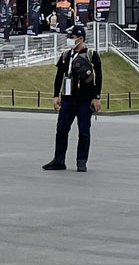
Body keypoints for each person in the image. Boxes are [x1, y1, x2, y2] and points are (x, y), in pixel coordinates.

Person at [43, 29, 101, 172]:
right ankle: (59, 160)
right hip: (68, 98)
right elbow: (59, 76)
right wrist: (56, 95)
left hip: (85, 99)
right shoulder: (65, 55)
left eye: (72, 37)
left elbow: (98, 77)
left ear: (80, 39)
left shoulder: (91, 55)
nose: (69, 39)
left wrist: (96, 97)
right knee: (61, 129)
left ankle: (81, 161)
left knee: (84, 131)